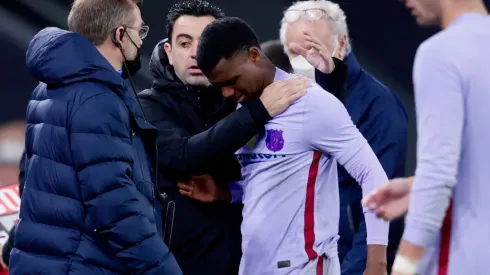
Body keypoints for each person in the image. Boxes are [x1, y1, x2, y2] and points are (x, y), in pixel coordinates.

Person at [192, 16, 390, 275]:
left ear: (254, 55)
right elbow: (272, 180)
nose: (227, 93)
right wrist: (227, 193)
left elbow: (372, 175)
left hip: (303, 266)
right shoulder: (243, 113)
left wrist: (377, 262)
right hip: (252, 267)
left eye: (231, 82)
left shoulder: (312, 104)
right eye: (220, 87)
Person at [9, 0, 182, 274]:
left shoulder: (49, 86)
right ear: (119, 35)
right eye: (140, 31)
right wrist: (162, 268)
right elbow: (113, 203)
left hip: (44, 261)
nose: (141, 40)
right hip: (84, 264)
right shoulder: (97, 98)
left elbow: (31, 175)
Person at [137, 1, 308, 274]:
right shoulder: (147, 106)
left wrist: (230, 193)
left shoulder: (243, 104)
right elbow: (185, 156)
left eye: (205, 43)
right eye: (184, 43)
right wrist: (259, 110)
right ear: (169, 52)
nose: (195, 53)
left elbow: (283, 179)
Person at [279, 1, 408, 274]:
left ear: (341, 43)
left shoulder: (379, 105)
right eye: (295, 52)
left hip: (350, 261)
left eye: (313, 48)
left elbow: (379, 202)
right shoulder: (281, 103)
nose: (305, 61)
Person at [363, 0, 490, 275]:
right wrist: (417, 187)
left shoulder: (441, 53)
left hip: (462, 260)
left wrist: (403, 269)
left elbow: (438, 175)